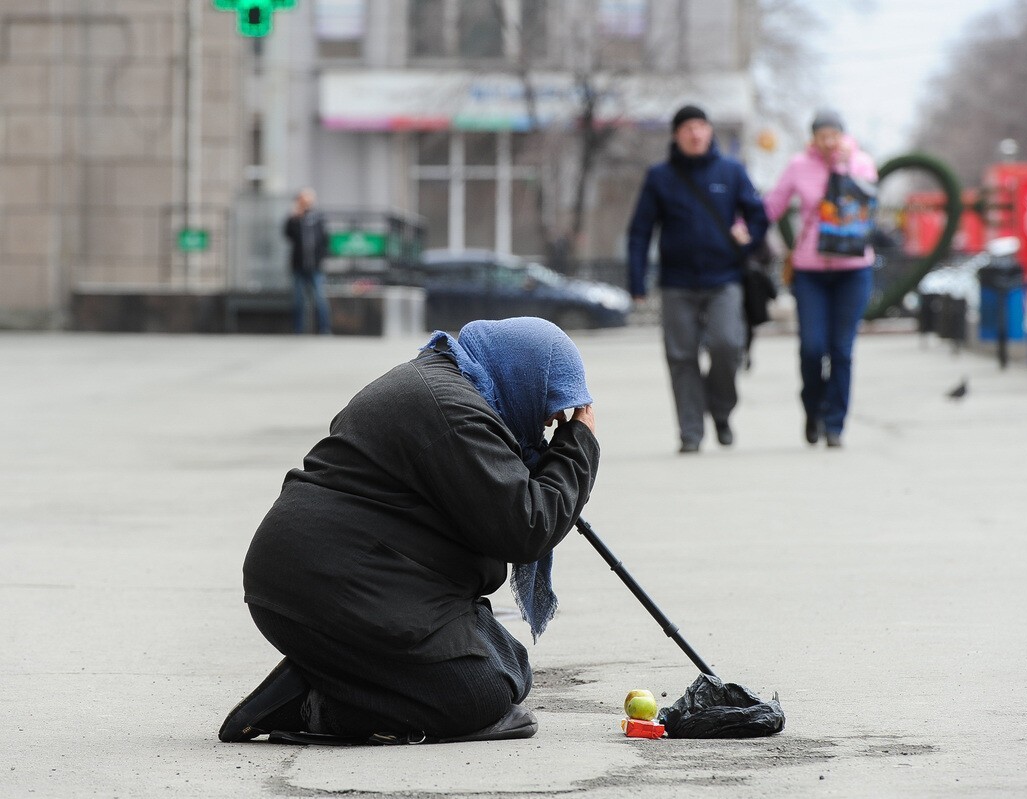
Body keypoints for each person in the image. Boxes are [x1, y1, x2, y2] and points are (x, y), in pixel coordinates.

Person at [218, 317, 599, 745]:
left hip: (338, 585)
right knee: (482, 694)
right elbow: (526, 528)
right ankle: (311, 703)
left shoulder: (444, 388)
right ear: (524, 375)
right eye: (551, 407)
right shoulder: (456, 415)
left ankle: (328, 669)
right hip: (334, 589)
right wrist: (578, 445)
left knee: (513, 665)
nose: (551, 424)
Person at [627, 104, 769, 454]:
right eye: (687, 128)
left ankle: (720, 410)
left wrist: (747, 235)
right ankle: (691, 432)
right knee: (681, 357)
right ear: (677, 135)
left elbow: (759, 215)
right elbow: (640, 231)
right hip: (677, 281)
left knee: (727, 345)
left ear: (709, 132)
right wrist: (637, 280)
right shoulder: (660, 177)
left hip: (725, 277)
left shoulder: (731, 171)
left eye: (701, 126)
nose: (695, 133)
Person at [763, 109, 878, 448]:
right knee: (813, 348)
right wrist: (743, 228)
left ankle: (835, 424)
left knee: (841, 350)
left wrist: (842, 166)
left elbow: (867, 197)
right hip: (811, 271)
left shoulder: (861, 162)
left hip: (853, 270)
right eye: (822, 135)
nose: (829, 141)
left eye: (834, 135)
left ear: (843, 136)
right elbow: (773, 205)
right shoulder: (799, 166)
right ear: (812, 139)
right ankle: (813, 408)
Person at [283, 187, 332, 335]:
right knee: (298, 300)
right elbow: (288, 234)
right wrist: (293, 217)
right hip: (299, 265)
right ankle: (298, 329)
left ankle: (324, 329)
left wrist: (321, 258)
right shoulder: (295, 218)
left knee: (319, 299)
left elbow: (324, 239)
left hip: (315, 265)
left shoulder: (318, 218)